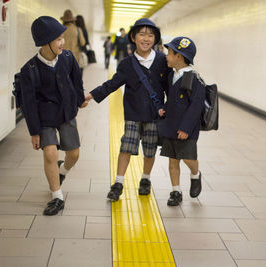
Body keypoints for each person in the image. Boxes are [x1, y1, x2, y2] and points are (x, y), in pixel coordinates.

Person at [84, 18, 171, 201]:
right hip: (133, 113)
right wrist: (91, 95)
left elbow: (170, 87)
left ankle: (145, 179)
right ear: (133, 37)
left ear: (155, 39)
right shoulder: (127, 63)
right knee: (126, 147)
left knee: (150, 149)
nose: (146, 38)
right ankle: (118, 183)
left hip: (155, 115)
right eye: (142, 34)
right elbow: (112, 84)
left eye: (150, 35)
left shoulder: (163, 61)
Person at [19, 16, 87, 215]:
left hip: (66, 112)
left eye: (62, 38)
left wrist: (79, 99)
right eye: (58, 39)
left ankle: (62, 171)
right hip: (44, 118)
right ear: (45, 42)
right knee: (50, 153)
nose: (62, 43)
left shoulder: (67, 58)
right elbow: (28, 104)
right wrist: (34, 131)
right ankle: (57, 197)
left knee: (74, 154)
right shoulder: (29, 70)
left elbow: (77, 80)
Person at [159, 37, 205, 206]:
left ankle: (195, 174)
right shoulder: (172, 75)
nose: (166, 56)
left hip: (187, 129)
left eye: (169, 53)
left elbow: (196, 106)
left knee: (188, 159)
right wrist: (164, 107)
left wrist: (186, 127)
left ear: (179, 56)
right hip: (171, 126)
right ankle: (176, 191)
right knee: (172, 161)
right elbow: (171, 99)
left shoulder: (195, 79)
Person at [61, 10, 86, 74]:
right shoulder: (78, 29)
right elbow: (82, 42)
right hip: (74, 57)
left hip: (62, 57)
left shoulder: (60, 29)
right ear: (73, 20)